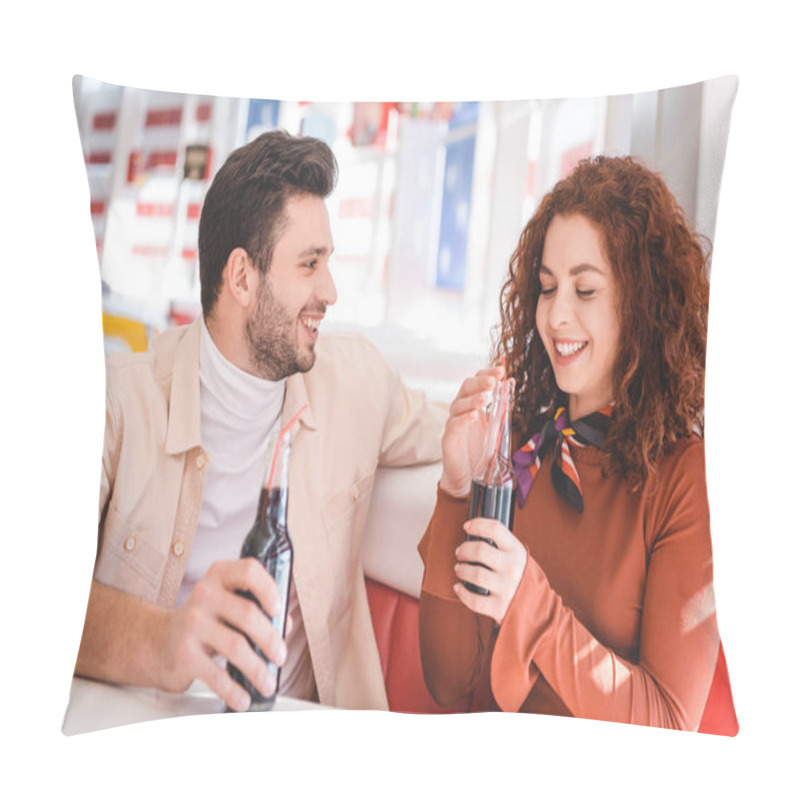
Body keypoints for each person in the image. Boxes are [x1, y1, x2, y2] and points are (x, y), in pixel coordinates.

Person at [75, 130, 446, 713]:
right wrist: (164, 641)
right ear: (242, 278)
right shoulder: (116, 403)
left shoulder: (356, 383)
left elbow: (458, 429)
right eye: (309, 264)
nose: (330, 290)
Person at [417, 155, 721, 730]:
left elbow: (671, 727)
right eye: (548, 287)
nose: (556, 316)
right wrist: (457, 487)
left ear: (642, 304)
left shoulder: (685, 478)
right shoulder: (522, 452)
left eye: (585, 290)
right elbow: (447, 680)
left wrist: (527, 598)